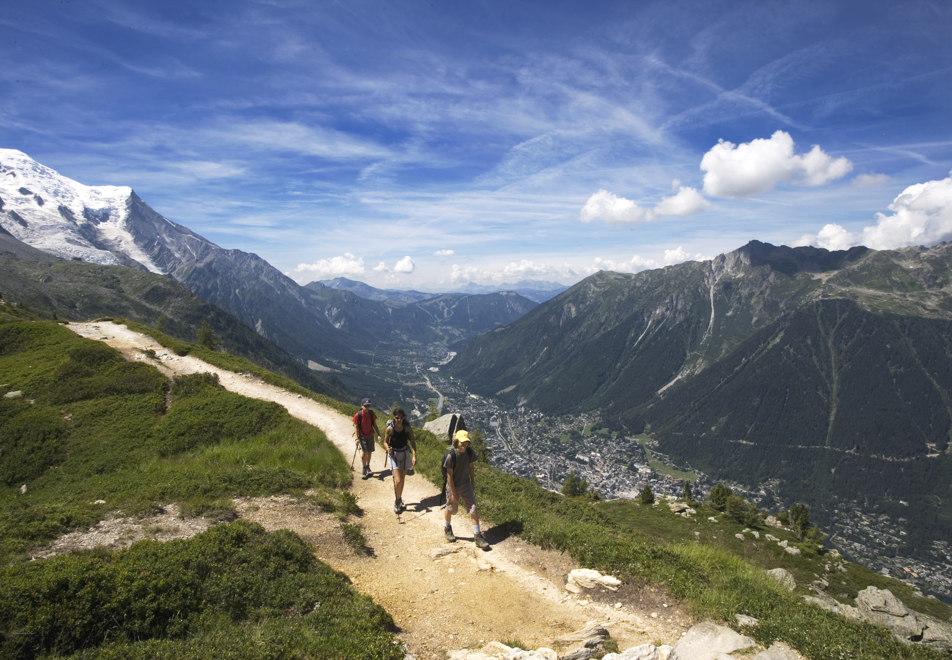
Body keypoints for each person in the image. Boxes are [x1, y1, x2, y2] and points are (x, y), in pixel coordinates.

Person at [443, 429, 489, 549]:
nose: (464, 444)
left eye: (466, 442)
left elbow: (471, 467)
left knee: (473, 508)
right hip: (454, 485)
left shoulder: (469, 452)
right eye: (461, 442)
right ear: (456, 441)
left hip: (466, 484)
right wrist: (453, 493)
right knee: (451, 508)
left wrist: (472, 482)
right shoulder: (451, 456)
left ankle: (477, 535)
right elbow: (449, 476)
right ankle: (447, 527)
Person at [383, 407, 417, 513]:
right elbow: (385, 441)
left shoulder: (407, 427)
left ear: (403, 418)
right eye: (397, 417)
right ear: (393, 417)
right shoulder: (390, 428)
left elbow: (412, 441)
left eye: (401, 418)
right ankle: (397, 501)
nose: (399, 420)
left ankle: (399, 498)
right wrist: (387, 448)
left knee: (402, 479)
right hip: (393, 454)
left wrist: (414, 455)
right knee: (397, 480)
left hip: (405, 453)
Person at [353, 398, 381, 479]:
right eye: (365, 406)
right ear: (361, 406)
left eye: (368, 406)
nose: (367, 408)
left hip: (370, 435)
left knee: (369, 452)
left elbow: (374, 425)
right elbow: (355, 426)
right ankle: (364, 468)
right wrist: (356, 438)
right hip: (362, 435)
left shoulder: (371, 413)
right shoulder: (358, 415)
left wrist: (378, 434)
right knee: (364, 452)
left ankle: (368, 466)